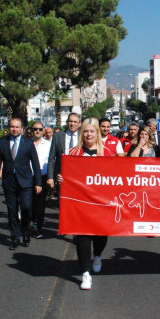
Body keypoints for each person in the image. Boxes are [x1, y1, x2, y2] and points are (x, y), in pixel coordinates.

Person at [55, 118, 110, 290]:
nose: (89, 134)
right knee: (83, 237)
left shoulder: (107, 152)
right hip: (80, 203)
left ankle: (98, 255)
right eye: (86, 131)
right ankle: (85, 273)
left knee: (101, 236)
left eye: (92, 131)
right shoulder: (73, 152)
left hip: (101, 202)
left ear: (97, 133)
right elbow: (67, 174)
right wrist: (61, 178)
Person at [0, 118, 42, 250]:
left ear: (22, 128)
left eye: (17, 127)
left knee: (26, 208)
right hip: (9, 182)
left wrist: (38, 182)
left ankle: (26, 234)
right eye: (12, 127)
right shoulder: (2, 143)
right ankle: (14, 237)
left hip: (26, 181)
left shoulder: (28, 142)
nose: (14, 129)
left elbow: (35, 163)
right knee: (12, 211)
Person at [46, 112, 81, 190]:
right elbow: (51, 158)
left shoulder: (83, 136)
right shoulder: (57, 136)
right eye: (70, 121)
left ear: (79, 124)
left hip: (79, 175)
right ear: (67, 122)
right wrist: (50, 177)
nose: (72, 124)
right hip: (61, 176)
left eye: (75, 122)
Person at [30, 121, 51, 239]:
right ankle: (31, 222)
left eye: (39, 129)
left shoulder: (48, 144)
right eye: (35, 129)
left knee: (40, 204)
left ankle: (38, 227)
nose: (37, 131)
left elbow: (52, 161)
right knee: (28, 204)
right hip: (28, 178)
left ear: (43, 131)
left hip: (43, 178)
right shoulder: (27, 143)